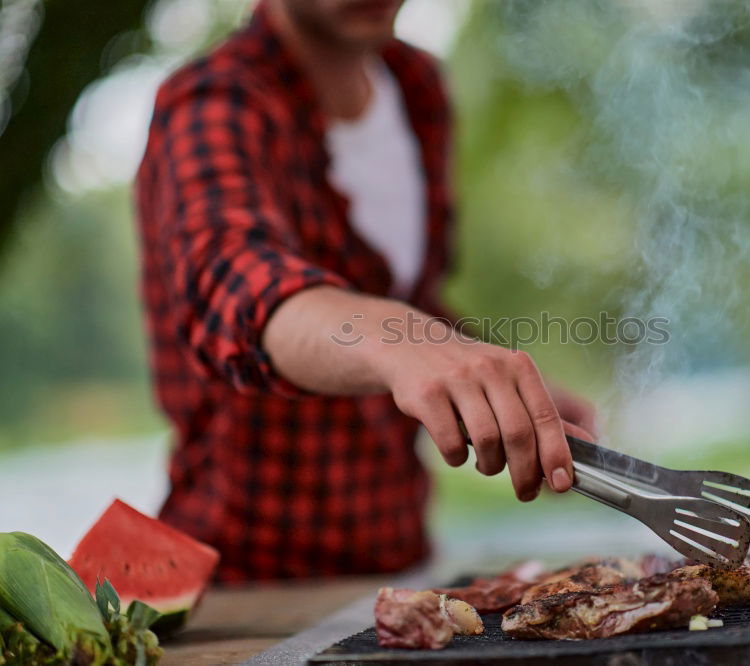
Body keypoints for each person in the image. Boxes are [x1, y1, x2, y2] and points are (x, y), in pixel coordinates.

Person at [135, 0, 595, 581]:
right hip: (244, 579)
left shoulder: (416, 86)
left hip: (398, 561)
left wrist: (488, 373)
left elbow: (408, 304)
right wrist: (394, 339)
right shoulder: (211, 103)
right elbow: (233, 279)